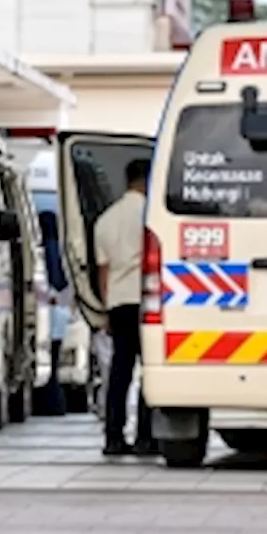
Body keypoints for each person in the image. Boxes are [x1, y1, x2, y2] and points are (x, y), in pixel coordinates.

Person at [94, 157, 154, 457]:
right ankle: (146, 437)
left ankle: (113, 437)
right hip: (147, 300)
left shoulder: (106, 219)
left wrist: (106, 308)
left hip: (118, 302)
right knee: (151, 371)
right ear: (146, 180)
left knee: (120, 373)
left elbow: (103, 270)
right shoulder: (152, 214)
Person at [34, 210, 69, 417]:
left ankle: (47, 403)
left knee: (48, 360)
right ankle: (54, 403)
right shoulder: (59, 248)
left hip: (48, 312)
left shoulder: (46, 249)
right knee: (54, 362)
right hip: (60, 313)